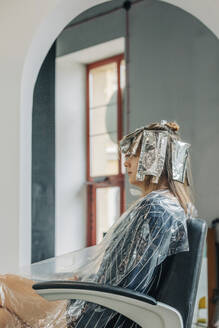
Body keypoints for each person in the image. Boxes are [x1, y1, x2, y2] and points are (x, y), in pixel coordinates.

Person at [0, 120, 196, 328]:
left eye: (132, 155)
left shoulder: (154, 208)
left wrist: (84, 288)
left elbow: (128, 285)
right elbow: (125, 276)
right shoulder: (171, 207)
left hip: (95, 317)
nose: (126, 162)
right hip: (102, 310)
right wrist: (85, 280)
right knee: (5, 318)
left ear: (152, 159)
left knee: (3, 284)